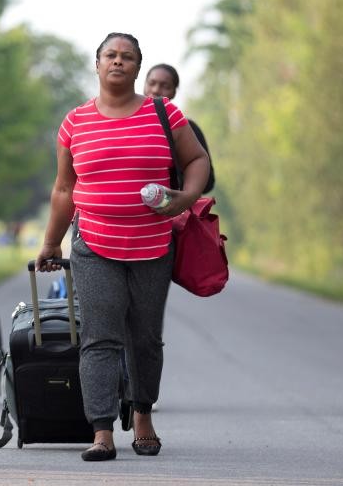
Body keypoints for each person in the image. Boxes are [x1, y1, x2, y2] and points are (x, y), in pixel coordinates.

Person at [35, 33, 210, 462]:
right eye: (110, 55)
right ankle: (101, 430)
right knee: (99, 337)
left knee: (146, 338)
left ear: (137, 68)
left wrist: (185, 199)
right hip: (93, 244)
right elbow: (63, 188)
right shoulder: (75, 122)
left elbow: (197, 160)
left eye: (127, 57)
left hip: (152, 245)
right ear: (96, 65)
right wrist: (50, 241)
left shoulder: (163, 112)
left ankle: (143, 414)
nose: (118, 62)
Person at [144, 63, 215, 193]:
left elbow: (208, 182)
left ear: (174, 92)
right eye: (151, 83)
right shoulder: (127, 124)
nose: (155, 90)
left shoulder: (187, 129)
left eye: (165, 86)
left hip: (174, 209)